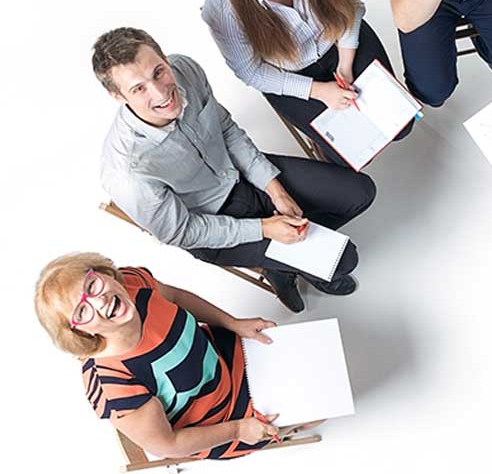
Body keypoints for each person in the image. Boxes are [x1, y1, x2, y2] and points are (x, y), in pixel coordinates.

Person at [94, 27, 376, 312]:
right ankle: (288, 264)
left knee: (360, 192)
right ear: (117, 95)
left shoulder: (185, 69)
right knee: (345, 260)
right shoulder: (127, 172)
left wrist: (275, 190)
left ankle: (289, 258)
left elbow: (226, 130)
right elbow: (184, 231)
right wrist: (264, 229)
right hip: (210, 222)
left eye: (158, 72)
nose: (160, 92)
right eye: (138, 88)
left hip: (240, 175)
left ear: (165, 59)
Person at [33, 252, 322, 459]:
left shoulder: (132, 283)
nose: (100, 301)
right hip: (218, 419)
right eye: (82, 311)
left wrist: (232, 323)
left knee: (310, 358)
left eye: (92, 285)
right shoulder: (119, 384)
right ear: (80, 331)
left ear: (104, 273)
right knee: (317, 412)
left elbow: (174, 296)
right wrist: (237, 430)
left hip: (218, 353)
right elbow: (167, 445)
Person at [202, 0, 413, 167]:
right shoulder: (221, 7)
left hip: (339, 41)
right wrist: (320, 91)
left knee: (401, 126)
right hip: (290, 73)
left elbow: (350, 0)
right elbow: (251, 72)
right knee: (352, 155)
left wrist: (345, 64)